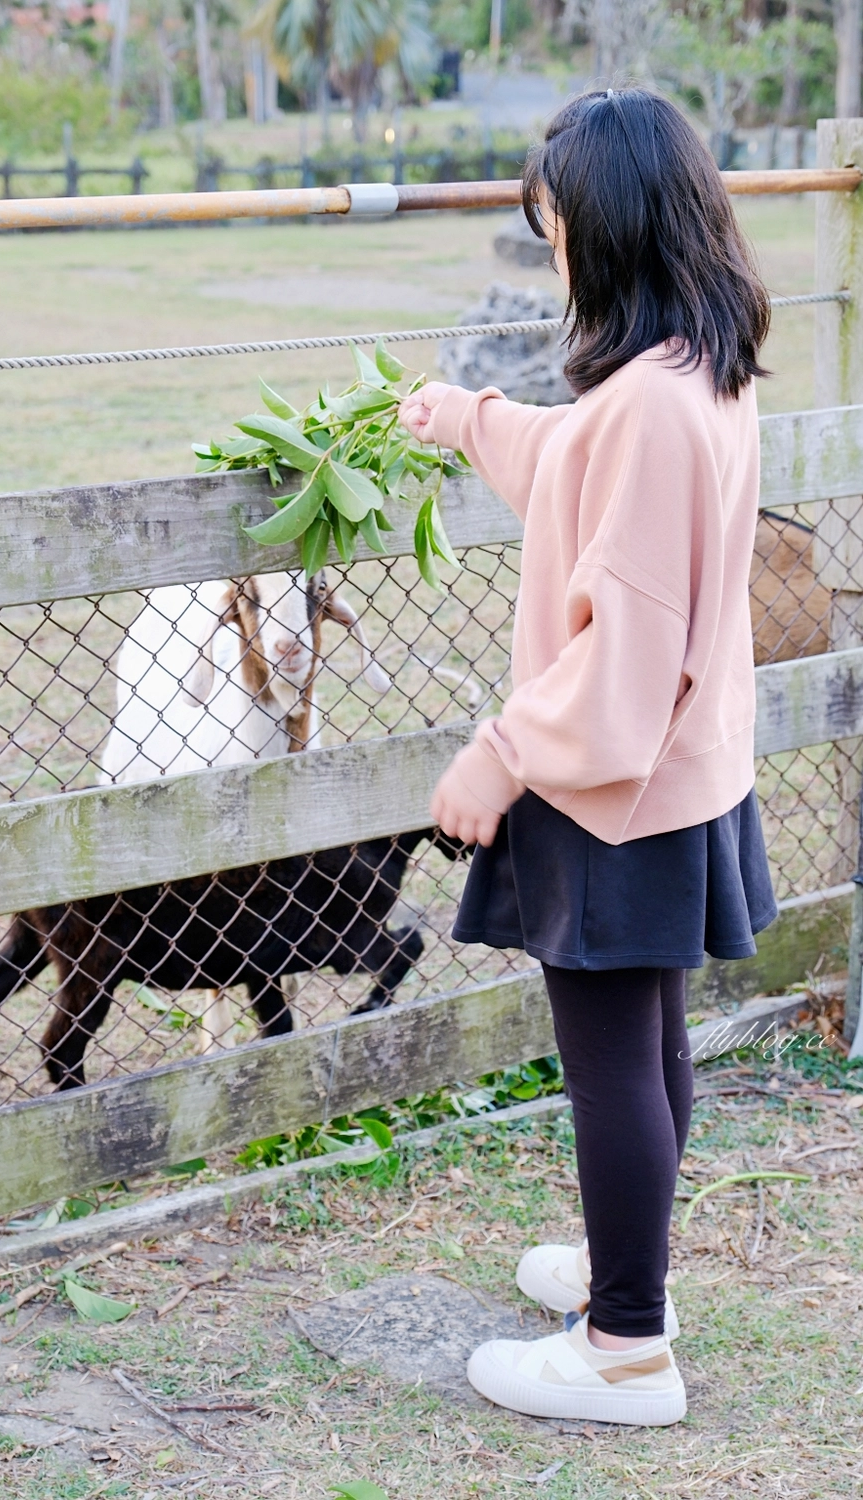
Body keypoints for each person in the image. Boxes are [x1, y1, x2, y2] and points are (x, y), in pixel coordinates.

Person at [398, 86, 777, 1427]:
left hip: (613, 786)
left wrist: (496, 758)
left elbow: (617, 665)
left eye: (553, 227)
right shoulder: (690, 376)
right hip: (683, 775)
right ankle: (637, 1278)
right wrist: (468, 419)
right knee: (651, 1039)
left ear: (606, 234)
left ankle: (625, 1348)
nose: (549, 249)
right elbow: (576, 468)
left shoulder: (649, 414)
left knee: (614, 1058)